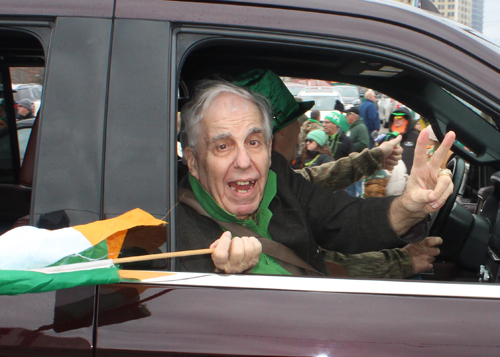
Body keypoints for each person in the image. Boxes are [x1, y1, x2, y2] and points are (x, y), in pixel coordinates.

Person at [178, 76, 455, 276]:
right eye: (223, 146)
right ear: (192, 161)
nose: (243, 161)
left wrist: (406, 207)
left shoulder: (277, 175)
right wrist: (224, 283)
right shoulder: (173, 233)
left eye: (253, 142)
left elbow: (341, 219)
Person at [345, 106, 370, 197]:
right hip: (351, 164)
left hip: (359, 164)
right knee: (350, 190)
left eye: (347, 114)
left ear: (354, 115)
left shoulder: (361, 127)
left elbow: (364, 143)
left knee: (359, 189)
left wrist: (349, 147)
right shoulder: (352, 128)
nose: (345, 116)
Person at [387, 107, 419, 172]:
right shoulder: (388, 137)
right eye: (395, 117)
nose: (396, 120)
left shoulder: (416, 137)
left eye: (399, 117)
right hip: (392, 175)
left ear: (406, 120)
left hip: (409, 175)